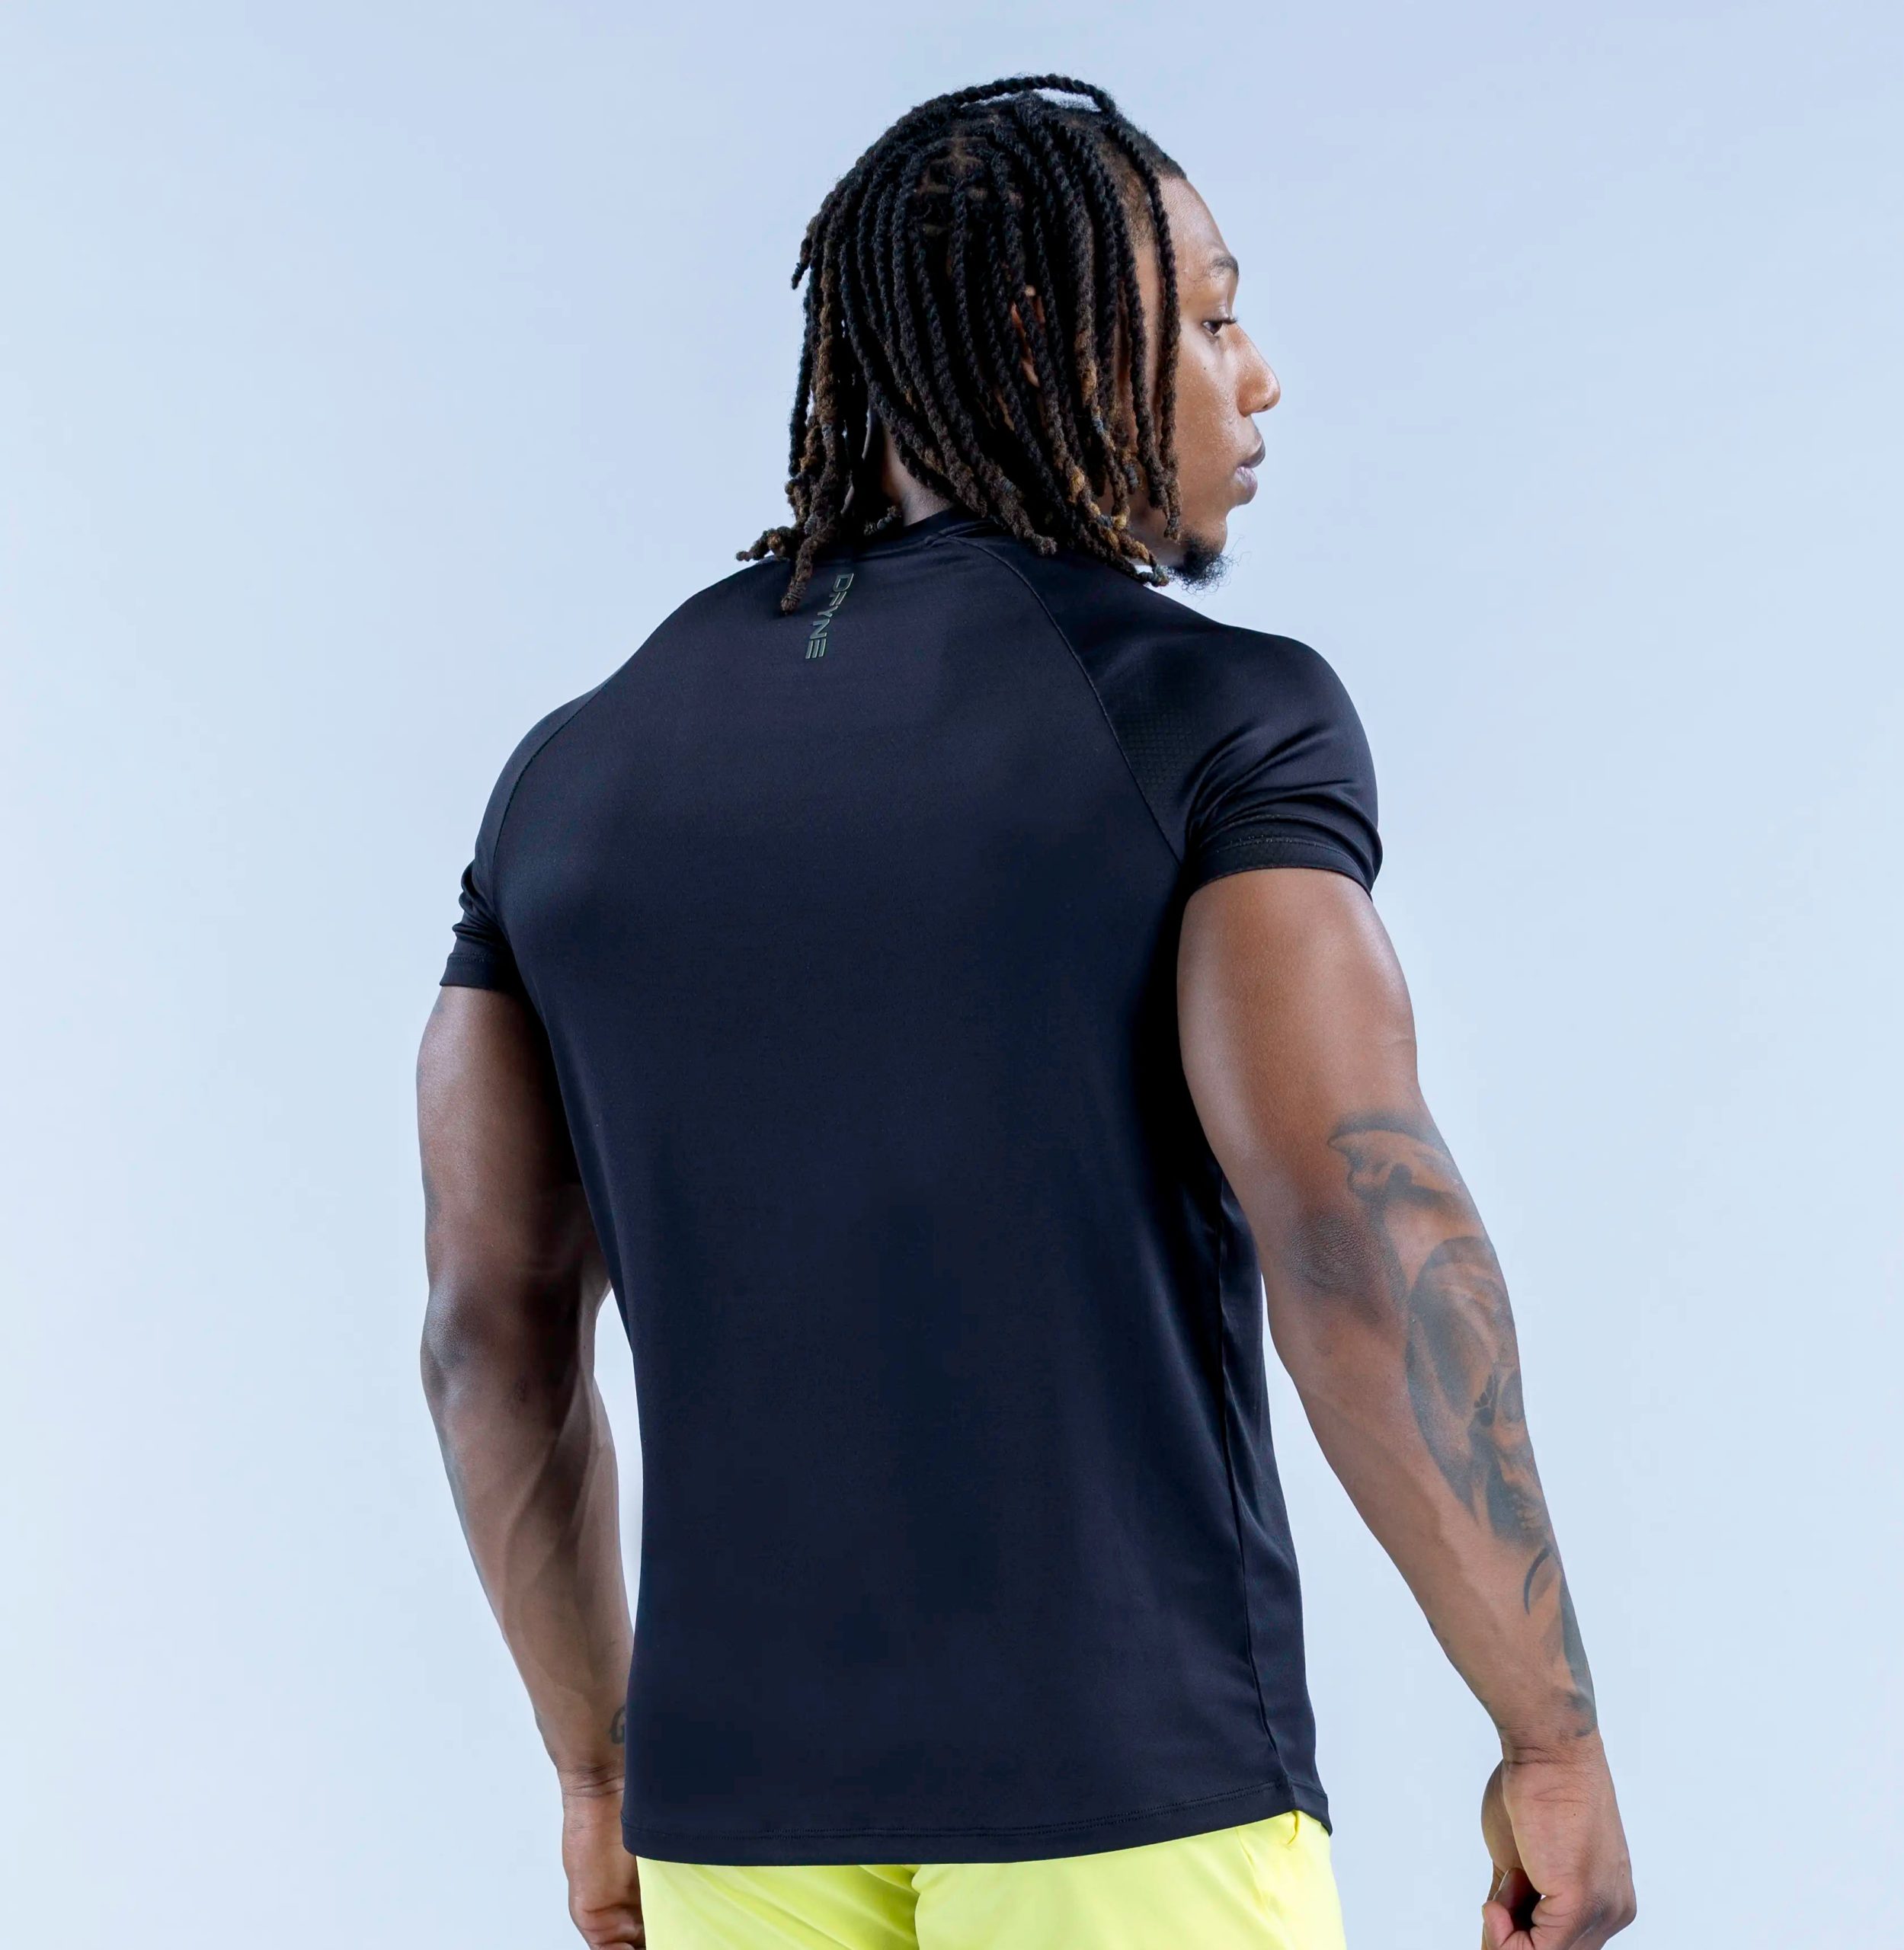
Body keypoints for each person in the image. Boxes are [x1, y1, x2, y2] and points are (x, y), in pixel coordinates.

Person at [417, 74, 1635, 1950]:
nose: (1258, 378)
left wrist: (597, 1769)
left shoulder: (572, 773)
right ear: (1040, 336)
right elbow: (1352, 1234)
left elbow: (488, 1337)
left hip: (731, 1826)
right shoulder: (1210, 714)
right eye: (1211, 320)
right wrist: (1546, 1729)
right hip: (1131, 1799)